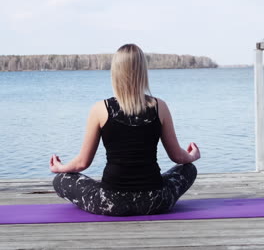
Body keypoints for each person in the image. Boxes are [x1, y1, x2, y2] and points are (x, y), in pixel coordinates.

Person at [50, 43, 200, 216]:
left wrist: (60, 168)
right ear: (142, 72)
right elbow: (178, 157)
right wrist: (192, 156)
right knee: (189, 168)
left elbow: (82, 163)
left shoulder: (100, 109)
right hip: (156, 201)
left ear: (115, 73)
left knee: (61, 179)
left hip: (111, 202)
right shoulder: (160, 107)